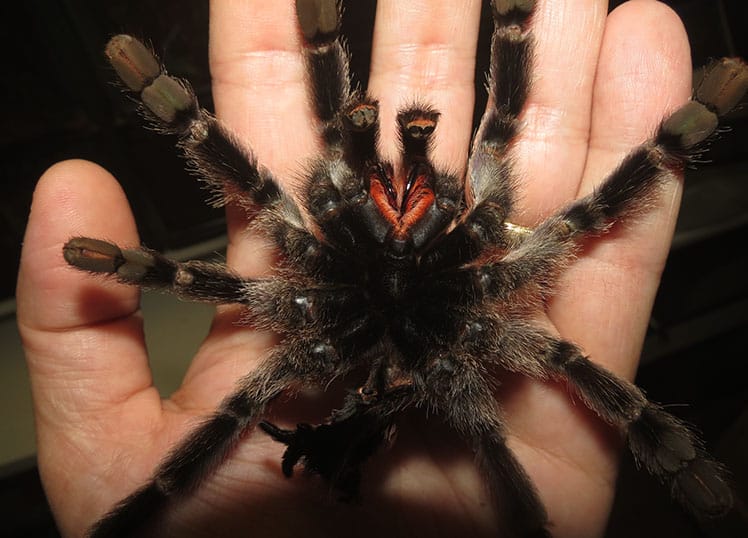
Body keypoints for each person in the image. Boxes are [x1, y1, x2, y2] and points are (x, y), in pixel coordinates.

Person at [17, 1, 692, 536]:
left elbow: (219, 258)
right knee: (544, 332)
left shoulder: (325, 245)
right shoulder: (463, 247)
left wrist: (154, 263)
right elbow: (523, 151)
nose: (404, 186)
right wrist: (516, 34)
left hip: (383, 341)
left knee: (506, 384)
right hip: (429, 348)